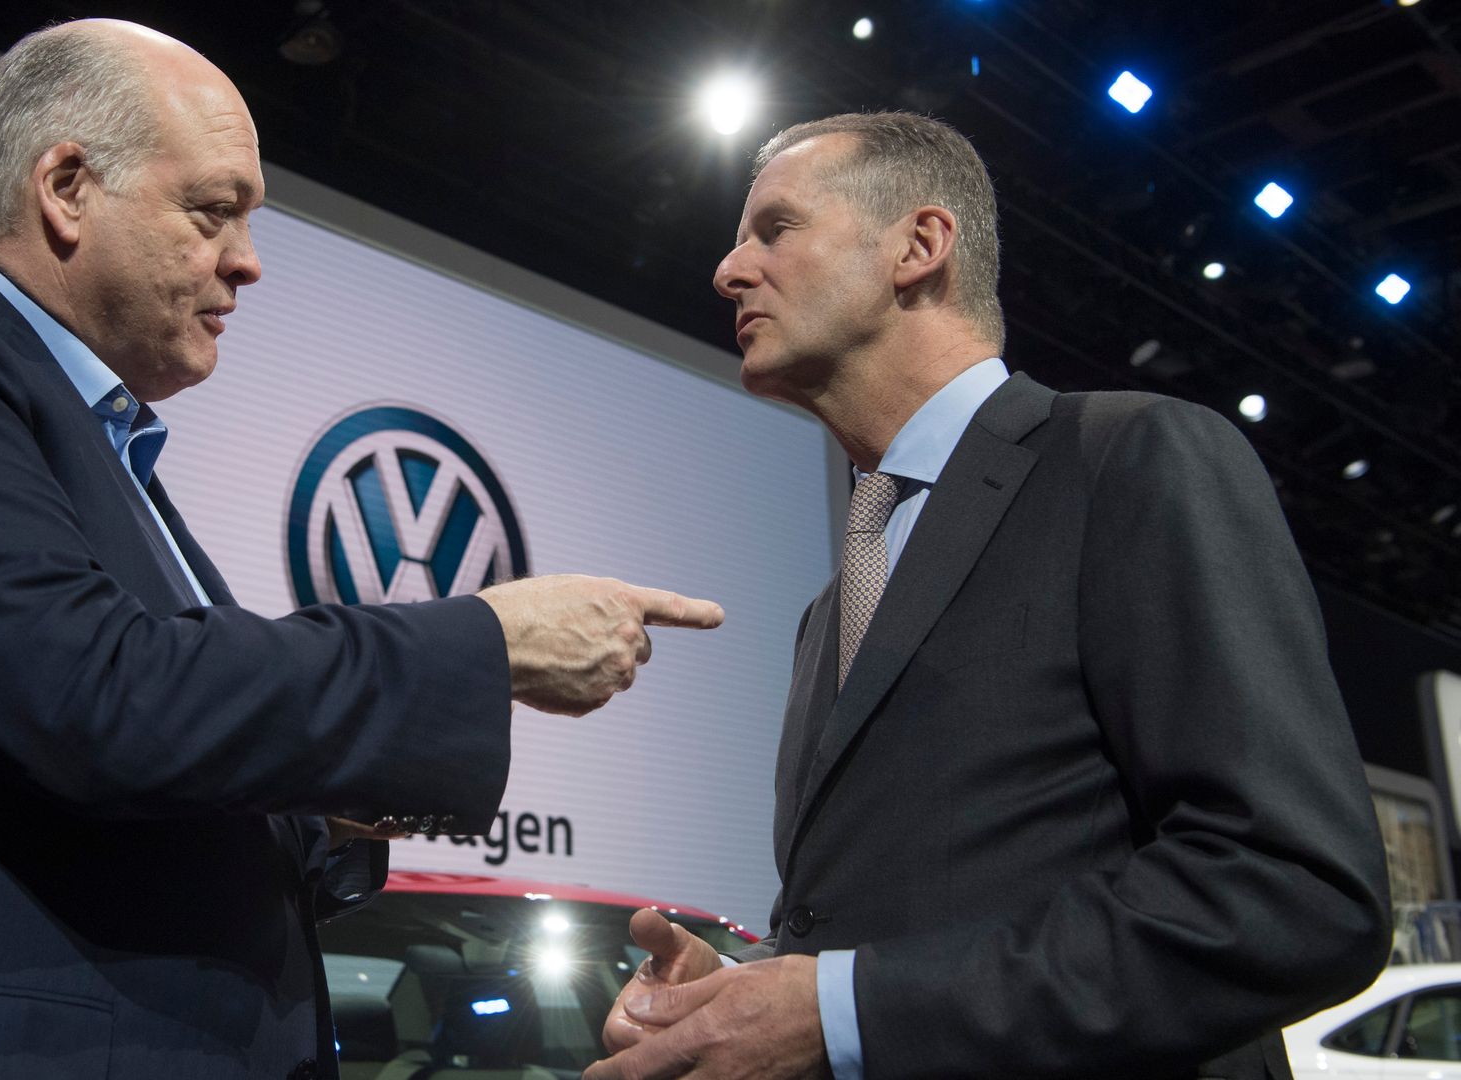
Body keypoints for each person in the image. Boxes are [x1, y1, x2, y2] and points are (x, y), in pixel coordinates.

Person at [0, 20, 722, 1080]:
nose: (247, 264)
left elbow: (113, 740)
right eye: (212, 210)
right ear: (66, 189)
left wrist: (324, 816)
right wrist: (483, 639)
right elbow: (95, 697)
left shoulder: (118, 470)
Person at [586, 112, 1390, 1080]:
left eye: (775, 229)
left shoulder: (1130, 461)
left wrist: (842, 1010)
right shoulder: (830, 607)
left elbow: (1292, 892)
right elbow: (914, 917)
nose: (729, 269)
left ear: (920, 248)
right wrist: (745, 995)